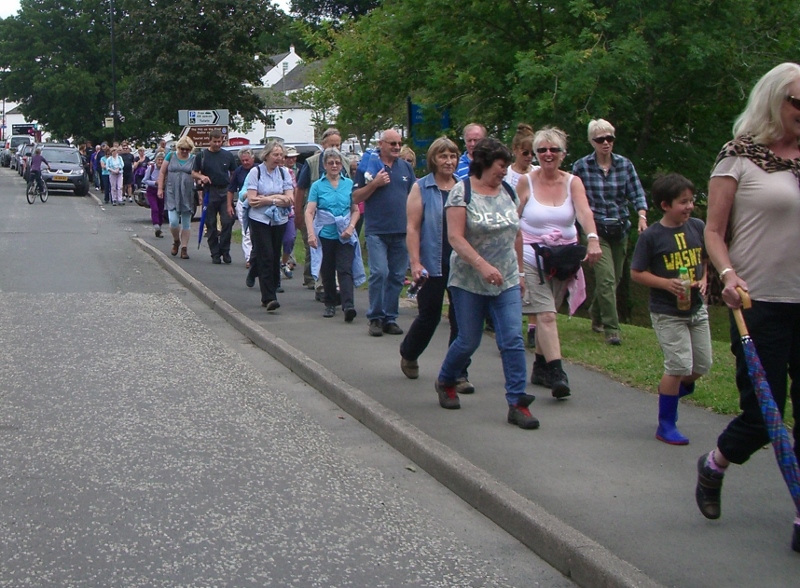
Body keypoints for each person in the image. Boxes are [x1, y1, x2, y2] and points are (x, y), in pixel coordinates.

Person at [693, 63, 800, 552]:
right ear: (774, 101)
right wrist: (729, 275)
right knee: (764, 414)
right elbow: (713, 231)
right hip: (758, 303)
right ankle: (714, 463)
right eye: (797, 101)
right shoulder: (738, 156)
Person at [435, 137, 537, 429]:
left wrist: (518, 272)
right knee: (469, 339)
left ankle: (517, 402)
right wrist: (481, 265)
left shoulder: (507, 191)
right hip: (469, 279)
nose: (504, 172)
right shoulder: (461, 192)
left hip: (504, 279)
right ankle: (446, 379)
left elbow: (516, 233)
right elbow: (455, 237)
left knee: (512, 339)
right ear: (484, 163)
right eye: (500, 166)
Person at [516, 127, 602, 400]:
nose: (547, 154)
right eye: (542, 150)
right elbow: (512, 220)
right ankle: (557, 373)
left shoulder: (572, 182)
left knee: (548, 313)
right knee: (546, 315)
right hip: (532, 256)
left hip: (563, 259)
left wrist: (593, 239)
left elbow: (584, 212)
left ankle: (540, 367)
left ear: (563, 154)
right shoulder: (526, 182)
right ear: (535, 154)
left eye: (553, 150)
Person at [630, 174, 710, 445]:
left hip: (697, 308)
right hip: (667, 312)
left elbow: (705, 259)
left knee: (702, 364)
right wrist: (666, 283)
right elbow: (637, 273)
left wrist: (704, 280)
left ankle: (670, 392)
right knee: (677, 365)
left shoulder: (697, 226)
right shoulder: (652, 236)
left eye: (691, 200)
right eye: (682, 202)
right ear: (665, 205)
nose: (689, 206)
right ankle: (666, 424)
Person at [399, 137, 476, 394]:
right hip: (432, 262)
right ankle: (409, 353)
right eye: (443, 156)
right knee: (429, 316)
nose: (449, 161)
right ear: (434, 159)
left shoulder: (464, 188)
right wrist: (415, 262)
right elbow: (412, 227)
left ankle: (458, 372)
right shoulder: (421, 187)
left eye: (453, 156)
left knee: (461, 320)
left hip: (460, 263)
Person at [572, 119, 647, 345]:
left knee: (614, 278)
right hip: (595, 230)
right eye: (600, 139)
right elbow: (574, 200)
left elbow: (637, 194)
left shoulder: (625, 165)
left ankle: (596, 313)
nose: (606, 143)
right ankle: (612, 329)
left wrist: (642, 217)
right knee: (605, 279)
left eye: (609, 138)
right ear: (592, 142)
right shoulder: (581, 167)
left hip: (620, 227)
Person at [353, 129, 415, 337]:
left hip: (401, 230)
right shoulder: (369, 167)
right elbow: (356, 197)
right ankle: (375, 317)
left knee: (397, 276)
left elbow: (413, 197)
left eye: (399, 143)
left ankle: (390, 317)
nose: (397, 147)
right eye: (392, 144)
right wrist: (375, 184)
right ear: (381, 144)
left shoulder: (405, 167)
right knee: (380, 272)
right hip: (377, 230)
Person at [305, 147, 362, 321]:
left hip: (344, 233)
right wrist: (311, 234)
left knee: (345, 269)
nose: (335, 166)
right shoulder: (317, 186)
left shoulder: (349, 184)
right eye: (331, 163)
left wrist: (351, 227)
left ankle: (348, 305)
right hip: (326, 234)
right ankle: (330, 303)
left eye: (337, 163)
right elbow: (310, 211)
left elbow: (355, 210)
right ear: (325, 166)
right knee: (328, 270)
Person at [295, 128, 350, 291]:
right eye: (331, 144)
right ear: (323, 144)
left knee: (333, 252)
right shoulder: (311, 163)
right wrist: (298, 213)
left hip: (338, 216)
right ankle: (315, 280)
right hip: (314, 214)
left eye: (338, 145)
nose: (335, 149)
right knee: (313, 246)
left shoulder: (344, 161)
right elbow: (300, 189)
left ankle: (326, 283)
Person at [244, 141, 294, 312]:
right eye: (276, 155)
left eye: (281, 155)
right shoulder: (255, 172)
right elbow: (252, 200)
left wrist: (267, 199)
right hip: (259, 220)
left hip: (279, 220)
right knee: (265, 254)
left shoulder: (284, 173)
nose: (279, 158)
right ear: (266, 156)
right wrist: (277, 198)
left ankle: (271, 289)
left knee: (274, 256)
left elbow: (290, 198)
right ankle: (269, 297)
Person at [505, 123, 538, 346]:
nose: (529, 157)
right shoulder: (507, 174)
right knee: (513, 280)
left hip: (532, 232)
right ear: (515, 150)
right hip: (511, 230)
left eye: (532, 153)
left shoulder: (537, 173)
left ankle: (534, 327)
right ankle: (511, 326)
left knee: (535, 282)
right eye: (525, 153)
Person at [192, 129, 237, 264]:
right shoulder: (202, 156)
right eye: (215, 141)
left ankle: (225, 250)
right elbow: (193, 172)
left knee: (228, 221)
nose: (217, 144)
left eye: (219, 141)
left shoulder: (227, 155)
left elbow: (234, 172)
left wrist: (233, 187)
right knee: (210, 223)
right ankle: (215, 253)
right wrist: (202, 177)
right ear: (209, 141)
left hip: (225, 191)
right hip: (210, 192)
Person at [157, 136, 196, 260]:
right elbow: (162, 172)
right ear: (178, 147)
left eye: (187, 149)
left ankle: (184, 248)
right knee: (173, 221)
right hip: (172, 191)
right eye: (182, 149)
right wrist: (160, 188)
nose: (184, 151)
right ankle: (176, 240)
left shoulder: (194, 159)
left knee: (186, 222)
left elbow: (197, 175)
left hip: (187, 192)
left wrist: (199, 194)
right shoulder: (171, 156)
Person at [227, 147, 256, 267]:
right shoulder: (238, 171)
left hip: (257, 202)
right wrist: (229, 205)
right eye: (242, 160)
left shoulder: (259, 169)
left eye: (247, 160)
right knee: (246, 231)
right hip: (243, 202)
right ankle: (249, 258)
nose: (245, 163)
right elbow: (231, 189)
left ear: (252, 158)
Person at [280, 146, 299, 283]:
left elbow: (295, 190)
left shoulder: (289, 172)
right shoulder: (259, 172)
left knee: (290, 238)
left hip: (288, 211)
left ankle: (283, 262)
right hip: (270, 214)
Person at [143, 152, 166, 238]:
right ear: (156, 160)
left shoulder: (166, 169)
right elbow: (145, 180)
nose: (160, 161)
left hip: (162, 191)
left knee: (161, 210)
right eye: (158, 160)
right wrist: (154, 183)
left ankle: (159, 227)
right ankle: (156, 226)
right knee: (155, 208)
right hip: (152, 191)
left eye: (162, 160)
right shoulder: (151, 168)